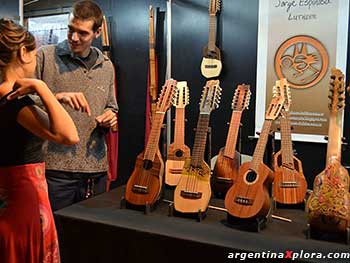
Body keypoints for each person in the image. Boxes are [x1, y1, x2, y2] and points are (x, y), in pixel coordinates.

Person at [0, 18, 79, 263]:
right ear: (23, 52)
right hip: (23, 202)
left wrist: (52, 96)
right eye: (34, 54)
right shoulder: (15, 103)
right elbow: (69, 135)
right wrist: (41, 88)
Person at [35, 0, 118, 211]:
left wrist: (110, 116)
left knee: (88, 236)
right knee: (55, 237)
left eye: (82, 33)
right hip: (54, 168)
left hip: (95, 168)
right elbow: (21, 102)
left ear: (97, 32)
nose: (73, 38)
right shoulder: (44, 56)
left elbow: (111, 106)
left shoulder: (106, 66)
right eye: (71, 29)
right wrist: (56, 97)